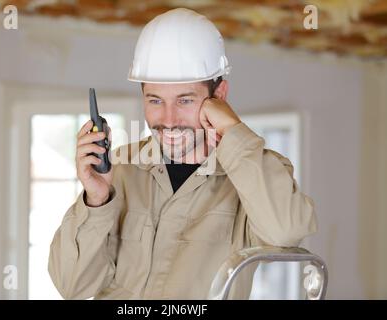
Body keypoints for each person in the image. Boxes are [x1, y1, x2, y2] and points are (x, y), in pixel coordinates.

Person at [48, 8, 317, 300]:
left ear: (220, 95)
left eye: (185, 100)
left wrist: (233, 129)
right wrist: (97, 200)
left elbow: (286, 233)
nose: (169, 118)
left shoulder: (256, 172)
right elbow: (71, 285)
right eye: (155, 100)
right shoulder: (121, 169)